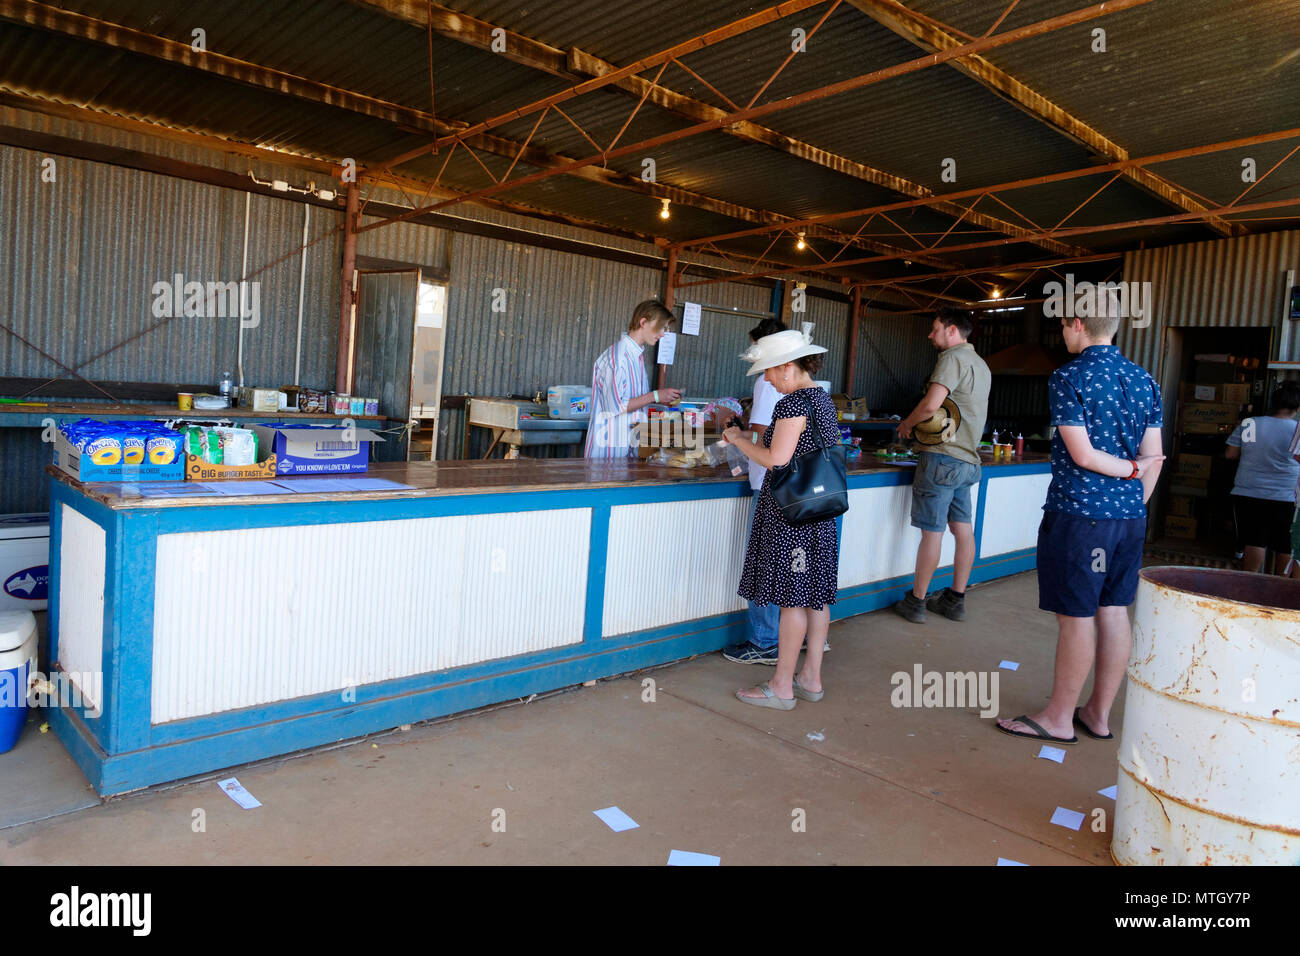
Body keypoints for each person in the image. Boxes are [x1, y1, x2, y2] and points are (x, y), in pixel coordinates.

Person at [997, 309, 1164, 745]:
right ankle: (1098, 714)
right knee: (1113, 611)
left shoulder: (1069, 377)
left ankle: (1057, 718)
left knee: (1076, 617)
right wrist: (1133, 499)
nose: (1062, 334)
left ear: (1076, 324)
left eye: (1063, 327)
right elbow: (1155, 457)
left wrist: (1127, 473)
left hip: (1080, 515)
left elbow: (1084, 455)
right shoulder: (1146, 380)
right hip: (1129, 520)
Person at [723, 328, 840, 710]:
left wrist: (739, 439)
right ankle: (811, 678)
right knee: (815, 597)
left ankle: (781, 686)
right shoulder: (822, 399)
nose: (768, 379)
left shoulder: (792, 405)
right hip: (818, 512)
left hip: (793, 517)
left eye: (770, 371)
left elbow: (776, 459)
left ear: (788, 367)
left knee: (792, 599)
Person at [892, 307, 990, 623]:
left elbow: (932, 405)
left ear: (951, 330)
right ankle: (955, 599)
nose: (930, 335)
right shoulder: (982, 365)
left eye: (935, 329)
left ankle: (917, 601)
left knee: (932, 533)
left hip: (942, 457)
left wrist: (907, 424)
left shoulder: (952, 358)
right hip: (967, 460)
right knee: (963, 531)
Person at [584, 300, 681, 458]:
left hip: (628, 447)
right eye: (661, 327)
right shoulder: (618, 358)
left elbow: (635, 401)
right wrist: (655, 395)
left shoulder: (636, 357)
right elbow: (616, 406)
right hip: (609, 452)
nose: (663, 333)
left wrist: (660, 399)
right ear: (643, 322)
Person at [1225, 384, 1300, 575]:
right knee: (1284, 542)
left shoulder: (1250, 423)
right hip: (1286, 495)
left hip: (1249, 490)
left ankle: (1250, 580)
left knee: (1254, 539)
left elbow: (1231, 454)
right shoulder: (1297, 429)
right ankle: (1281, 584)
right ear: (1297, 408)